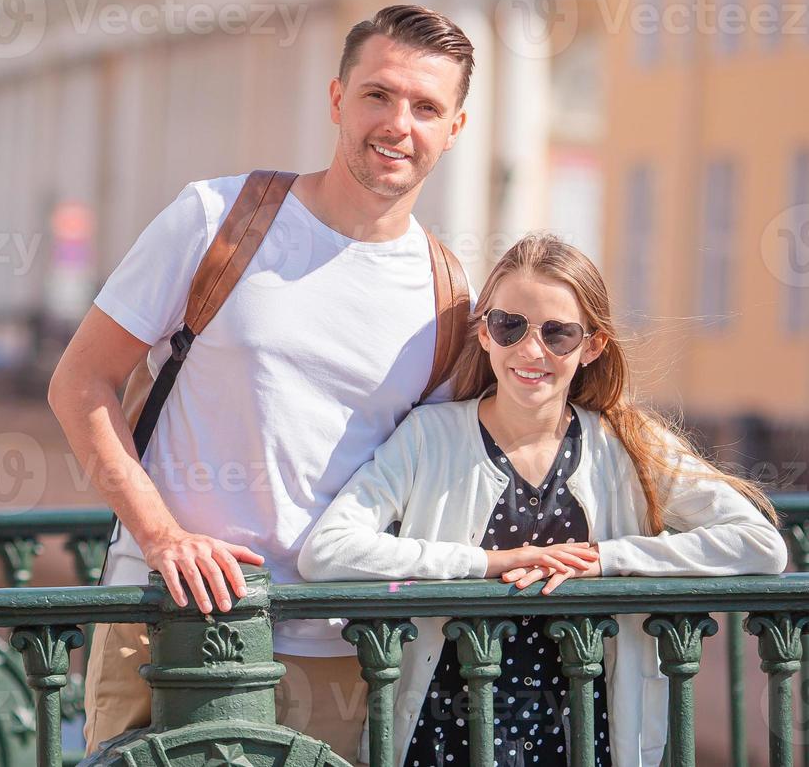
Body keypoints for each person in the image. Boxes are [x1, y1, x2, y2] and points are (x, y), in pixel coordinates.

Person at [48, 4, 477, 758]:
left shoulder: (447, 296)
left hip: (336, 646)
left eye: (426, 107)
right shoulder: (219, 215)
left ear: (455, 128)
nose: (397, 124)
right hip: (164, 619)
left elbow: (437, 479)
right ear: (338, 98)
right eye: (378, 94)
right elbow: (80, 382)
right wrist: (163, 538)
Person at [297, 233, 787, 767]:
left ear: (592, 346)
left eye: (558, 334)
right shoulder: (426, 437)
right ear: (484, 332)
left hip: (585, 737)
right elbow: (328, 551)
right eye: (510, 326)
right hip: (441, 739)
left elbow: (761, 546)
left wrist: (608, 560)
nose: (532, 351)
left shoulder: (628, 442)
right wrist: (484, 564)